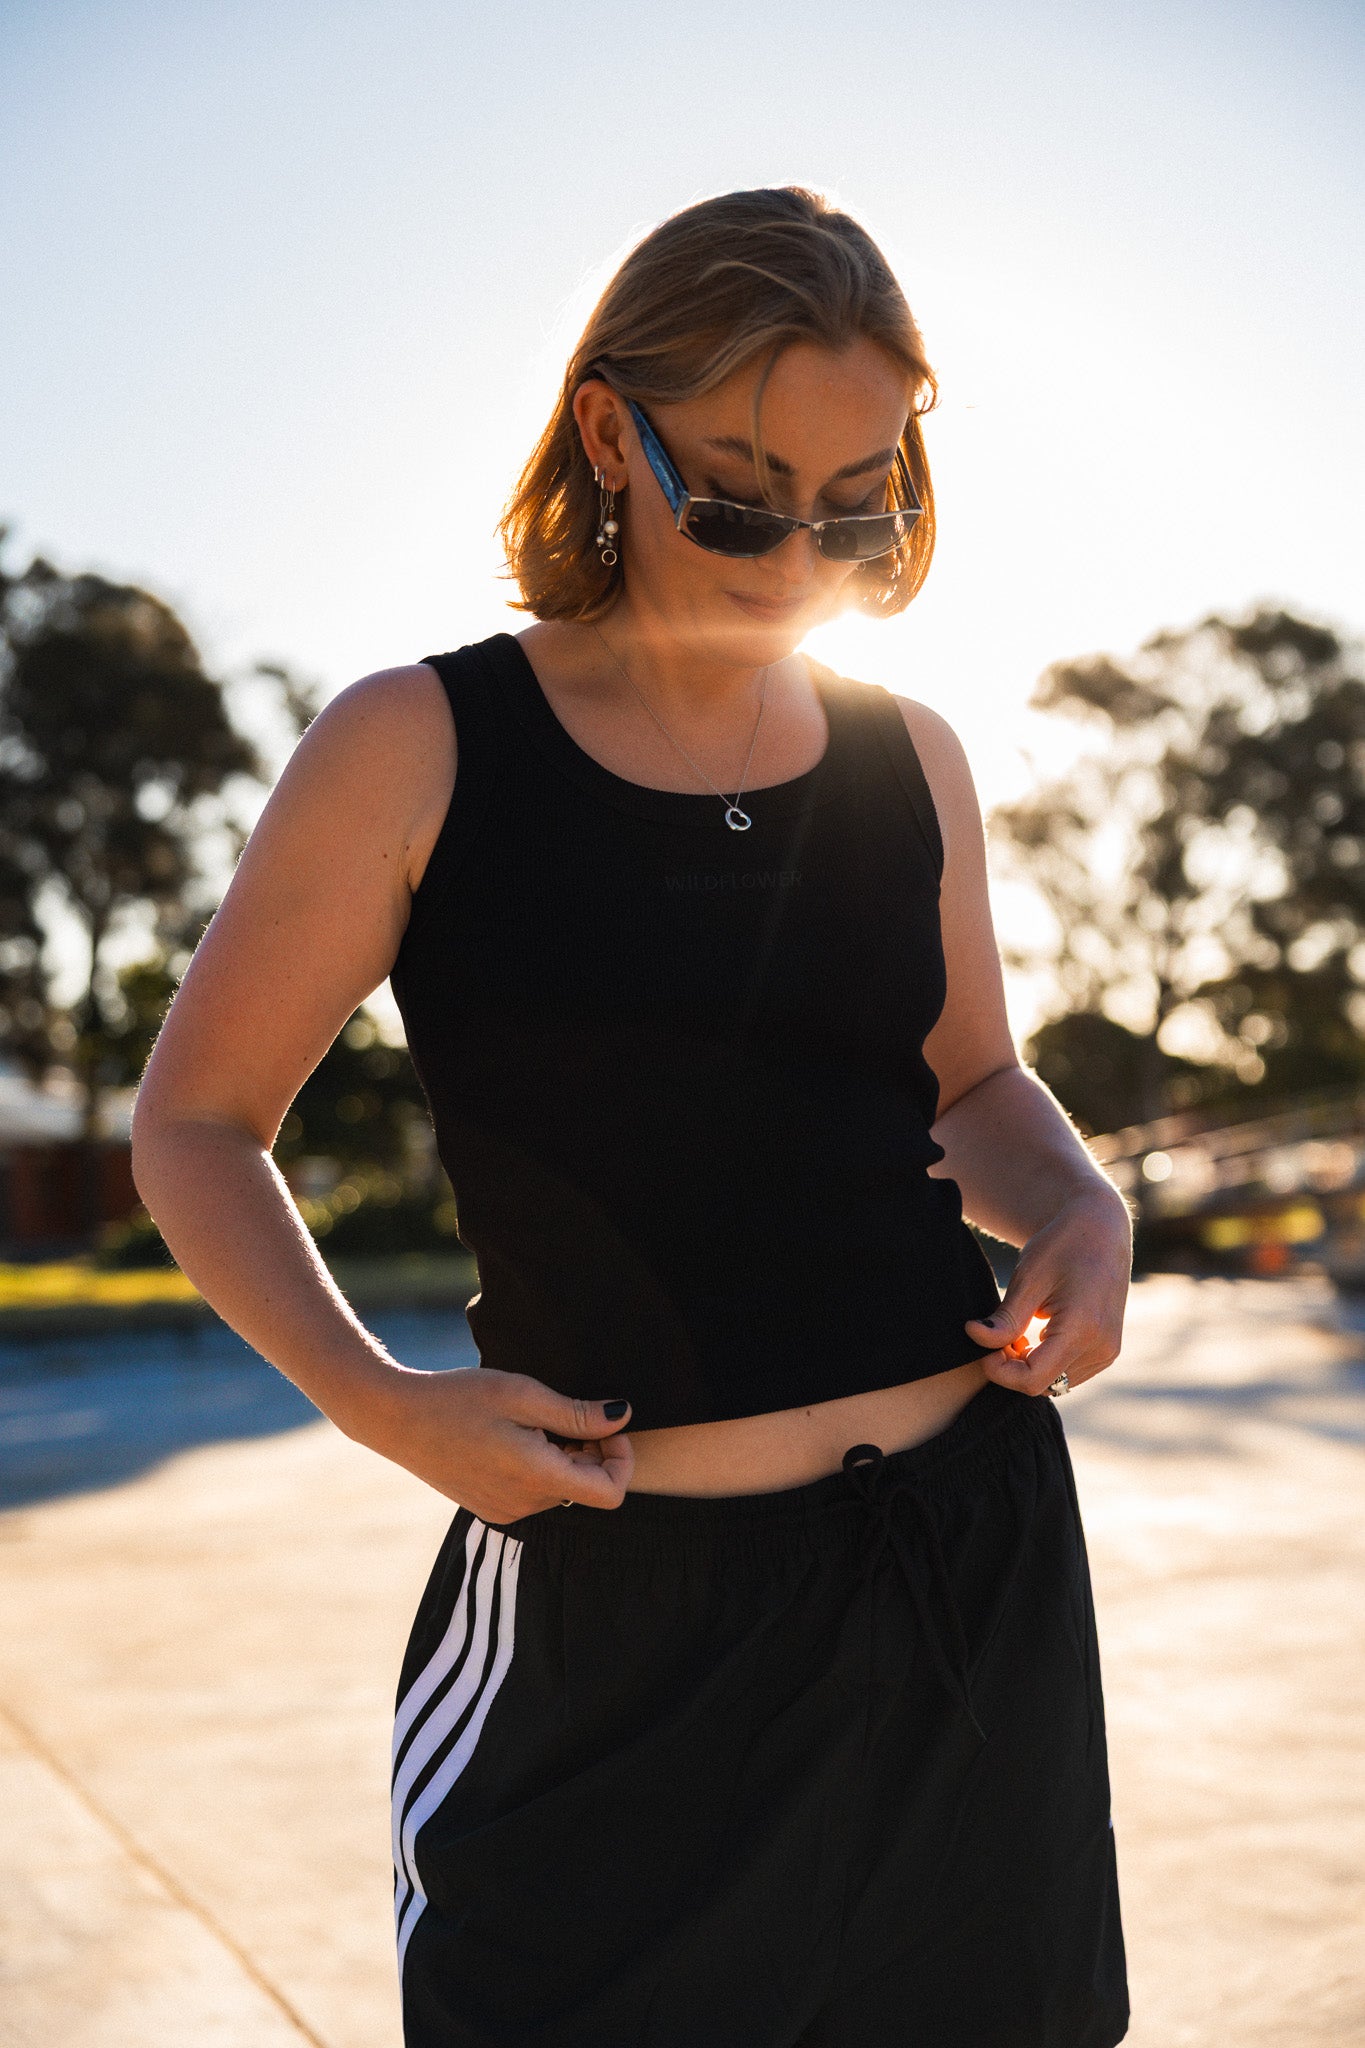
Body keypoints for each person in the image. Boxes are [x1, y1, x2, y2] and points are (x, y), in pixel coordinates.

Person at [131, 186, 1133, 2047]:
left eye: (858, 504)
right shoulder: (417, 744)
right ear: (610, 432)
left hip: (971, 1572)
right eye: (740, 495)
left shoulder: (907, 752)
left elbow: (971, 1083)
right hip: (621, 1633)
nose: (797, 553)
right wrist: (380, 1402)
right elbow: (195, 1123)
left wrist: (1078, 1204)